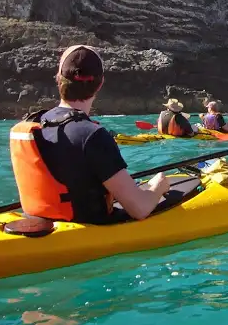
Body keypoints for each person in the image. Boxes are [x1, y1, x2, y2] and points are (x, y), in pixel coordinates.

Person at [9, 45, 170, 223]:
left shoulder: (36, 122)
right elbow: (139, 209)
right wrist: (158, 186)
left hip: (39, 221)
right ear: (100, 84)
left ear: (58, 79)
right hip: (86, 228)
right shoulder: (92, 135)